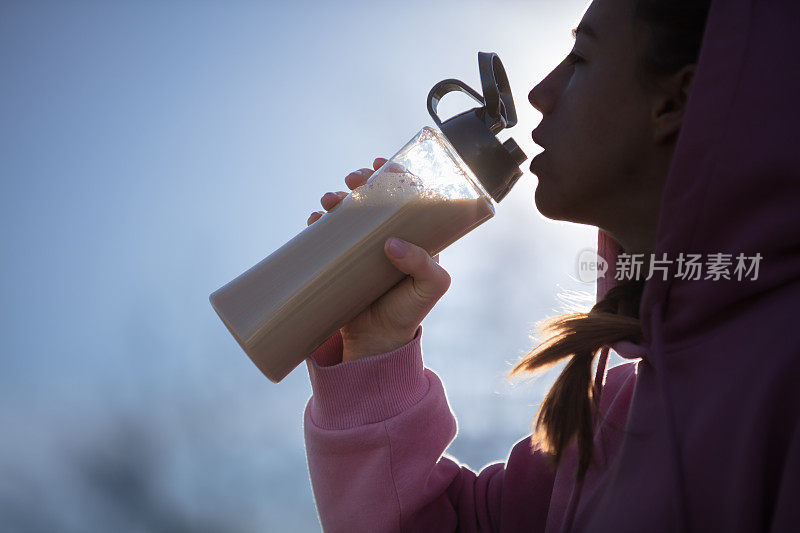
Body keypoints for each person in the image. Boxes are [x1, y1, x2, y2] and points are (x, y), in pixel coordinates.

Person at [302, 0, 800, 530]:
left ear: (673, 101)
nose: (539, 93)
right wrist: (375, 350)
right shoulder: (606, 424)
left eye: (581, 58)